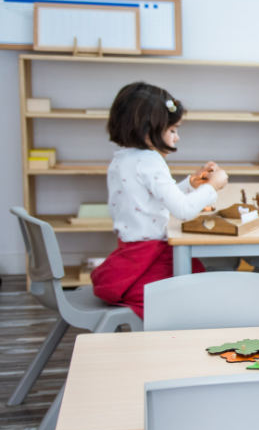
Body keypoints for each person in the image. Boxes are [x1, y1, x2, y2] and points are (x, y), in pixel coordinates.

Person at [90, 82, 227, 318]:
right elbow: (183, 210)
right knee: (201, 287)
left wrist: (190, 184)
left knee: (199, 279)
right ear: (148, 129)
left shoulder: (122, 159)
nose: (177, 137)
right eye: (172, 130)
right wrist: (213, 186)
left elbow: (152, 198)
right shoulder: (150, 161)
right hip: (150, 256)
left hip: (132, 253)